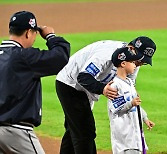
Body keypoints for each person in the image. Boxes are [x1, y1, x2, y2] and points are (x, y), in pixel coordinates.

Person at [56, 36, 156, 154]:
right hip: (70, 83)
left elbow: (128, 87)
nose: (139, 64)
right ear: (131, 49)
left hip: (87, 89)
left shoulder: (133, 62)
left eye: (143, 62)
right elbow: (83, 77)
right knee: (85, 131)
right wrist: (103, 89)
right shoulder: (106, 53)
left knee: (75, 130)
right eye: (139, 60)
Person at [0, 11, 70, 154]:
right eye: (34, 34)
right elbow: (61, 57)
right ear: (28, 33)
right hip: (17, 132)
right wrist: (50, 36)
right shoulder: (24, 56)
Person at [108, 47, 154, 154]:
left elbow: (136, 105)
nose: (135, 65)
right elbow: (115, 109)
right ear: (123, 64)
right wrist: (131, 103)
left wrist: (145, 117)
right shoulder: (114, 85)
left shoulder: (129, 82)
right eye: (133, 62)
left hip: (136, 135)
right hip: (124, 139)